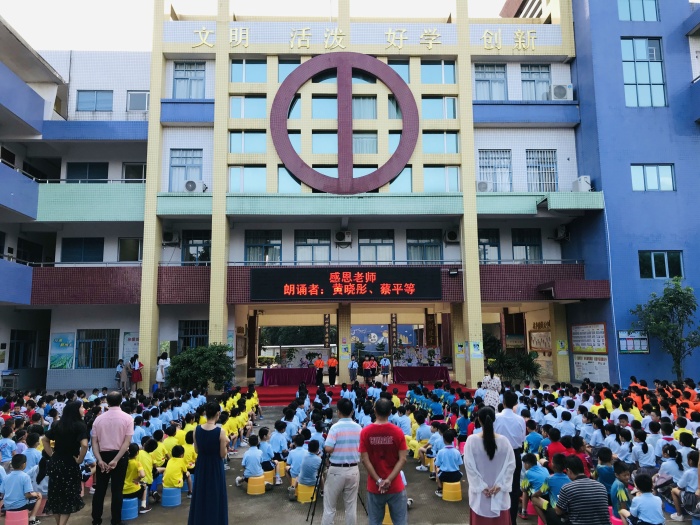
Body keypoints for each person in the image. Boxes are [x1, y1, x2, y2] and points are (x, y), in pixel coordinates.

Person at [359, 398, 408, 525]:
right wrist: (389, 480)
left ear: (374, 410)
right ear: (390, 412)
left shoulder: (365, 432)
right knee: (400, 522)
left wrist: (379, 480)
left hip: (374, 486)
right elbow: (403, 459)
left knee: (374, 522)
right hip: (395, 484)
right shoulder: (398, 432)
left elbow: (365, 460)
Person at [464, 406, 515, 525]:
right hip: (499, 495)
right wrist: (500, 485)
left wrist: (482, 486)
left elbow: (469, 467)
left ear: (479, 420)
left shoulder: (471, 441)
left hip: (480, 497)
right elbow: (511, 466)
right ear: (494, 420)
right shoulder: (504, 441)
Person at [41, 400, 89, 525]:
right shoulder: (80, 425)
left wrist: (51, 455)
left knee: (55, 496)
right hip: (70, 464)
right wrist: (80, 459)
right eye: (81, 407)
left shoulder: (58, 424)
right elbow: (84, 445)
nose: (83, 409)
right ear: (75, 411)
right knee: (68, 497)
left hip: (56, 463)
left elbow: (45, 440)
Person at [91, 391, 134, 525]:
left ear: (107, 402)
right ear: (121, 401)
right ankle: (116, 521)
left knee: (100, 490)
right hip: (120, 456)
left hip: (103, 455)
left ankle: (96, 520)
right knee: (117, 490)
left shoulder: (98, 419)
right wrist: (116, 459)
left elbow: (94, 442)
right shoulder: (128, 418)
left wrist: (99, 460)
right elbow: (127, 442)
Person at [322, 397, 362, 525]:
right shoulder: (358, 428)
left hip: (336, 469)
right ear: (352, 412)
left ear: (338, 412)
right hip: (353, 469)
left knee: (329, 506)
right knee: (351, 506)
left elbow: (328, 448)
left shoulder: (335, 427)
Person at [494, 391, 526, 525]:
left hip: (499, 454)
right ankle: (512, 520)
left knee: (497, 485)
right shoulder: (520, 420)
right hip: (514, 454)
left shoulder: (496, 417)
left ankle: (498, 518)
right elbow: (522, 439)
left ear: (503, 403)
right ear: (515, 404)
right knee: (513, 488)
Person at [556, 455, 611, 525]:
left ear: (569, 471)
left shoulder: (567, 488)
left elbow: (558, 512)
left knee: (551, 513)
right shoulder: (601, 486)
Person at [0, 454, 42, 525]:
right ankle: (32, 518)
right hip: (20, 506)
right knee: (39, 496)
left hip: (7, 506)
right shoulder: (25, 476)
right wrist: (35, 494)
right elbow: (27, 495)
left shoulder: (6, 477)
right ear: (24, 464)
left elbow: (2, 493)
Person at [434, 429, 463, 498]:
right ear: (453, 440)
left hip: (445, 476)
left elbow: (437, 464)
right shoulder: (457, 452)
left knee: (437, 469)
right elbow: (460, 464)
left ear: (443, 440)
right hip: (456, 476)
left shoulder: (441, 452)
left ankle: (440, 489)